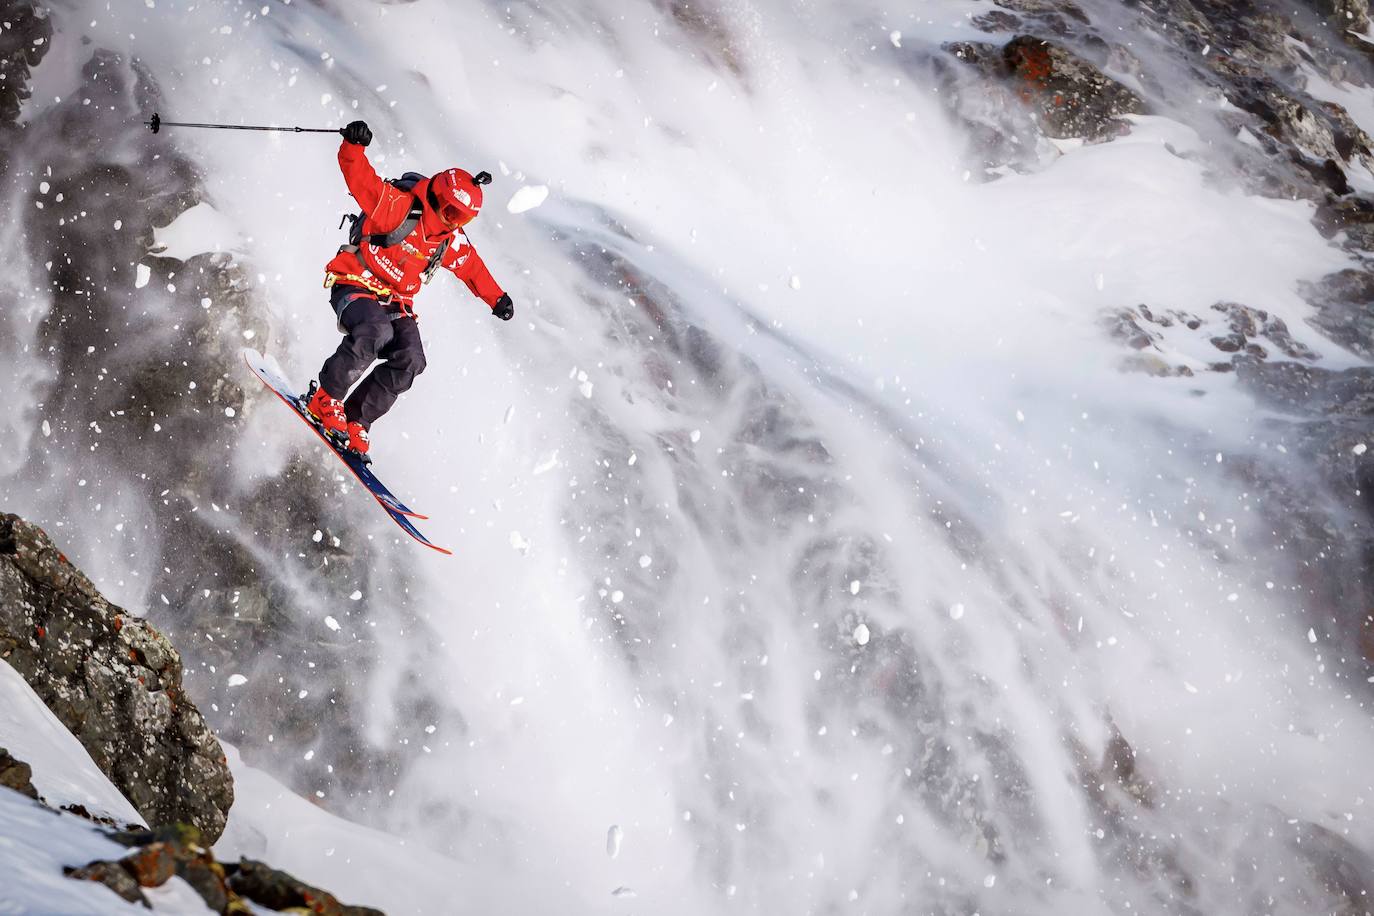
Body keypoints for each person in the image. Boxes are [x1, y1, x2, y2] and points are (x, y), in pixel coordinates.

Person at [307, 119, 513, 457]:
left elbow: (472, 267)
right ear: (437, 195)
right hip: (355, 281)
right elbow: (360, 179)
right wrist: (354, 146)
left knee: (411, 359)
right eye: (450, 212)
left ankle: (356, 418)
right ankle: (325, 398)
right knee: (373, 331)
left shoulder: (449, 240)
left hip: (394, 300)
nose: (452, 222)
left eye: (462, 219)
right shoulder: (399, 208)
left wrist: (497, 298)